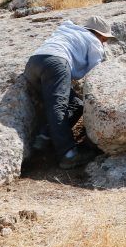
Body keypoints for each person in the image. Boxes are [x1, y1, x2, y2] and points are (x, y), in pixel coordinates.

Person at [24, 16, 113, 169]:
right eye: (105, 39)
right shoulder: (94, 41)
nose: (105, 42)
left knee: (75, 104)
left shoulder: (68, 31)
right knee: (59, 107)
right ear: (100, 34)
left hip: (33, 64)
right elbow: (96, 73)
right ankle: (68, 154)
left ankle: (45, 136)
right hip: (57, 63)